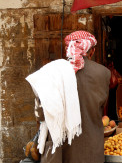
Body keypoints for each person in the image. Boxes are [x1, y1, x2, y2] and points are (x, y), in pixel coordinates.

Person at [26, 31, 110, 163]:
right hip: (91, 147)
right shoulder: (104, 73)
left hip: (59, 149)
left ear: (68, 48)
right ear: (92, 51)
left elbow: (40, 114)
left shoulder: (51, 71)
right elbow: (100, 106)